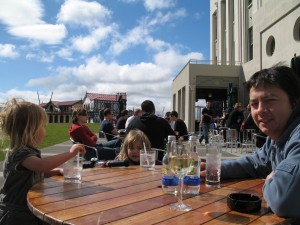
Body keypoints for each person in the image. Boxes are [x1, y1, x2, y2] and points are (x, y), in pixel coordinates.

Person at [201, 65, 300, 219]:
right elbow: (254, 162)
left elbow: (283, 202)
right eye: (254, 104)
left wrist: (270, 180)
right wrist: (213, 168)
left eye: (270, 100)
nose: (260, 110)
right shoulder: (276, 138)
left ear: (294, 102)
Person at [0, 98, 86, 225]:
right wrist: (71, 153)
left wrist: (56, 171)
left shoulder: (28, 152)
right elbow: (41, 166)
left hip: (28, 209)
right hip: (15, 214)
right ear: (30, 130)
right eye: (42, 126)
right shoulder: (19, 153)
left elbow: (36, 172)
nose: (45, 131)